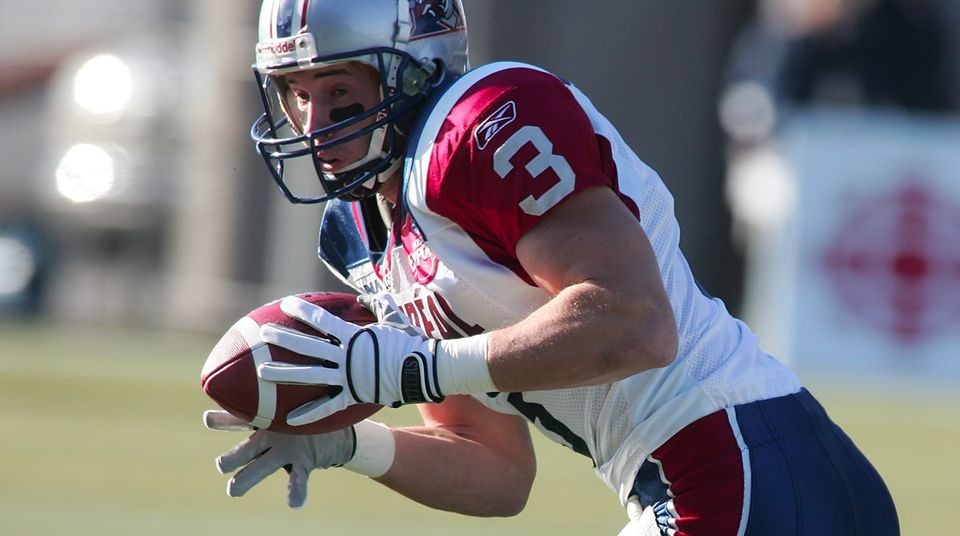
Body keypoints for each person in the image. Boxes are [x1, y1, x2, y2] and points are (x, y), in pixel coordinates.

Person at [203, 1, 899, 534]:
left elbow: (634, 322)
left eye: (340, 93)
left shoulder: (481, 125)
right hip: (713, 479)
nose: (315, 122)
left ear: (412, 70)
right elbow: (496, 470)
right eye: (297, 92)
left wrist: (412, 368)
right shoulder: (362, 232)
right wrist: (350, 442)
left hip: (737, 460)